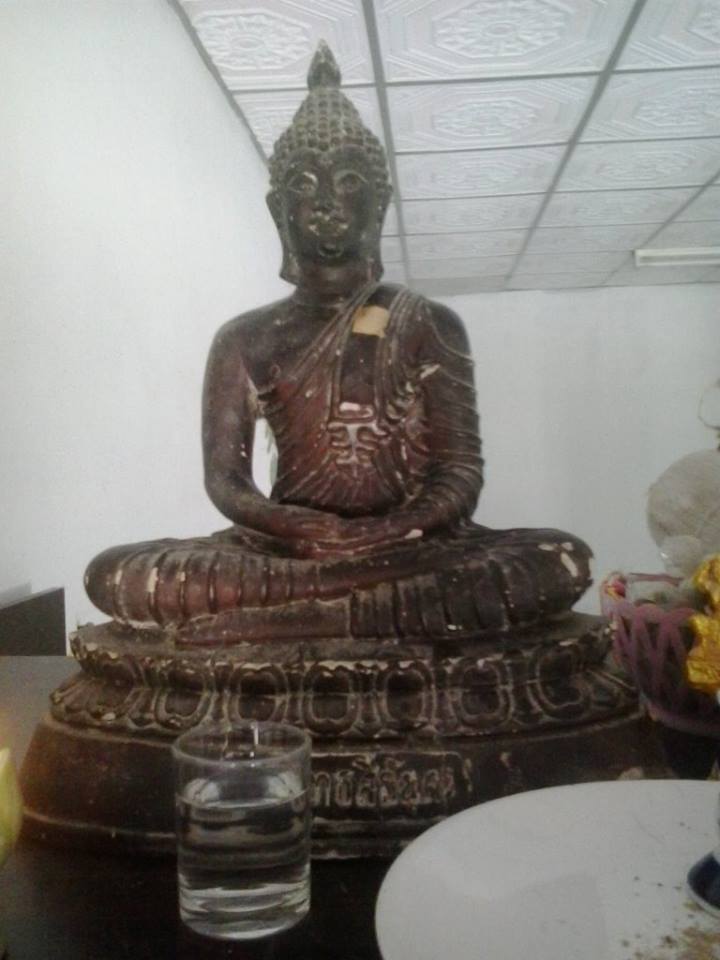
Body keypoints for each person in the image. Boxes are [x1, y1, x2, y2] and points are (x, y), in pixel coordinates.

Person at [85, 43, 591, 644]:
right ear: (279, 210)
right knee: (117, 573)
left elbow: (459, 473)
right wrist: (293, 526)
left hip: (412, 547)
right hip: (287, 551)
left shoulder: (428, 322)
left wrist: (394, 530)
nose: (326, 201)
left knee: (559, 558)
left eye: (348, 181)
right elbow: (227, 482)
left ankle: (308, 616)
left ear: (379, 204)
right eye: (305, 184)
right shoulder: (244, 338)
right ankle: (355, 608)